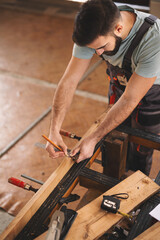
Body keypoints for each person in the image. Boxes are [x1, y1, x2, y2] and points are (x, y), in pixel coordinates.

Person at [46, 0, 160, 175]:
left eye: (101, 47)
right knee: (111, 136)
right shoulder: (92, 28)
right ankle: (111, 174)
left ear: (119, 29)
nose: (97, 53)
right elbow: (69, 81)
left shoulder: (154, 40)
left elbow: (130, 99)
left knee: (140, 145)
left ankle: (133, 184)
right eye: (93, 48)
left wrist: (92, 139)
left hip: (153, 95)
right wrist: (54, 129)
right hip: (119, 83)